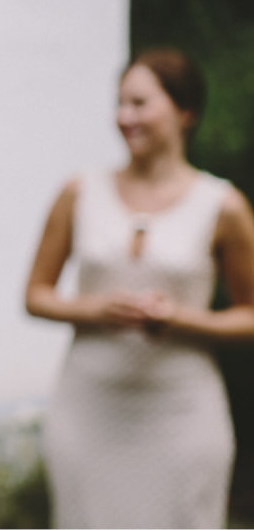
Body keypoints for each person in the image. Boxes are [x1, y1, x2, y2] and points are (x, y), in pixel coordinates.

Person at [25, 47, 254, 528]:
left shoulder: (223, 206)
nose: (124, 117)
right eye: (120, 103)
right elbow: (36, 295)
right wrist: (96, 310)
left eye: (140, 103)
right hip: (88, 409)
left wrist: (181, 319)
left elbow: (249, 313)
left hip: (182, 414)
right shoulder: (79, 192)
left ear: (185, 111)